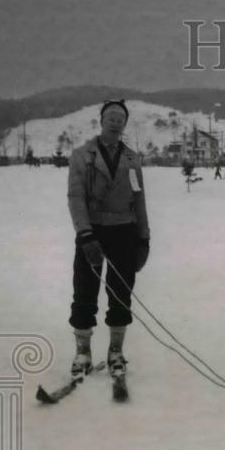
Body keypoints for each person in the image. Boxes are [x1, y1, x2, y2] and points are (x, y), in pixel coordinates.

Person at [66, 100, 151, 392]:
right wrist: (85, 235)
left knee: (121, 290)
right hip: (93, 232)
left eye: (120, 118)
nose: (115, 122)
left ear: (125, 124)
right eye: (111, 117)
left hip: (124, 232)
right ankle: (83, 352)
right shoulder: (81, 156)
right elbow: (75, 198)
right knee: (85, 289)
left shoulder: (132, 159)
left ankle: (116, 351)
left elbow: (138, 200)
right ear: (101, 121)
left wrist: (144, 237)